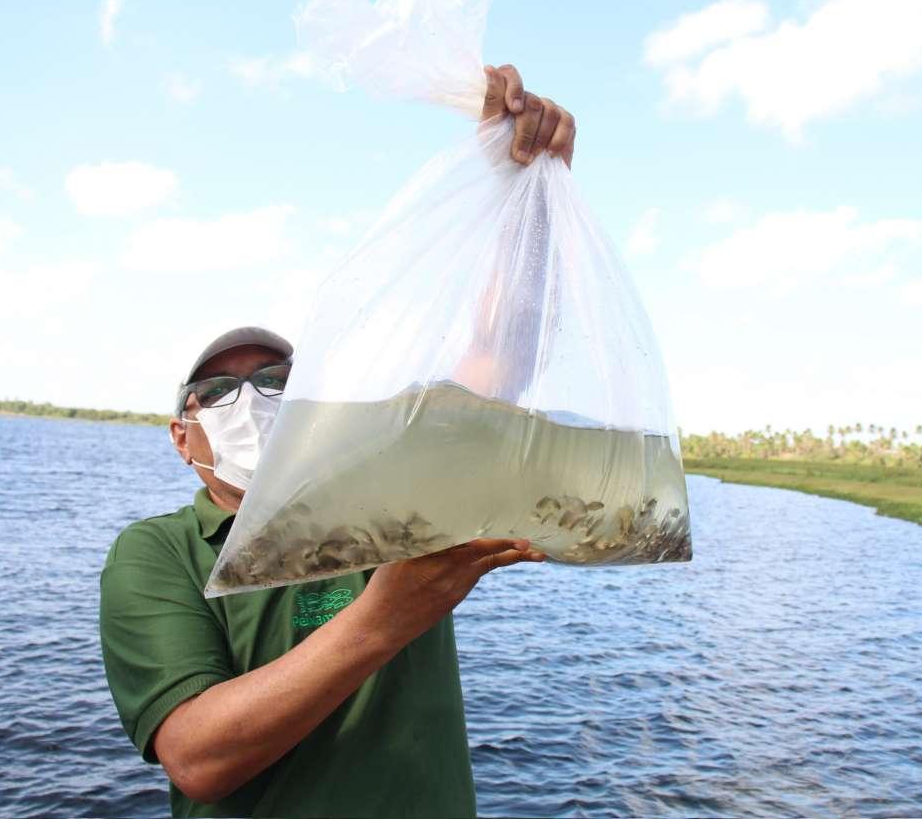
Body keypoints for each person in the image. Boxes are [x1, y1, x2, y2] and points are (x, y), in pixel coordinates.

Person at [99, 65, 575, 818]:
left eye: (274, 379)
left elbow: (500, 353)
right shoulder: (156, 553)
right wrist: (385, 617)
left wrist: (525, 189)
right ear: (180, 432)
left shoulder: (384, 496)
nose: (248, 400)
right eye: (218, 391)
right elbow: (195, 753)